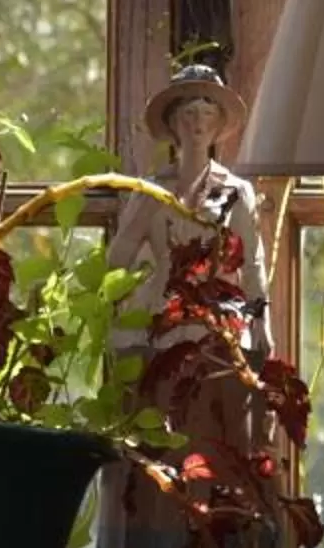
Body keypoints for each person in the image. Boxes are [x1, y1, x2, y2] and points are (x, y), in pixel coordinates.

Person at [108, 63, 269, 364]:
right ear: (173, 123)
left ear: (219, 124)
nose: (198, 125)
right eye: (189, 114)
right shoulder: (149, 191)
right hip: (160, 320)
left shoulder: (236, 191)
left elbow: (252, 266)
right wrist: (144, 214)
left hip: (219, 321)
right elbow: (117, 259)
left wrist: (262, 323)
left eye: (207, 115)